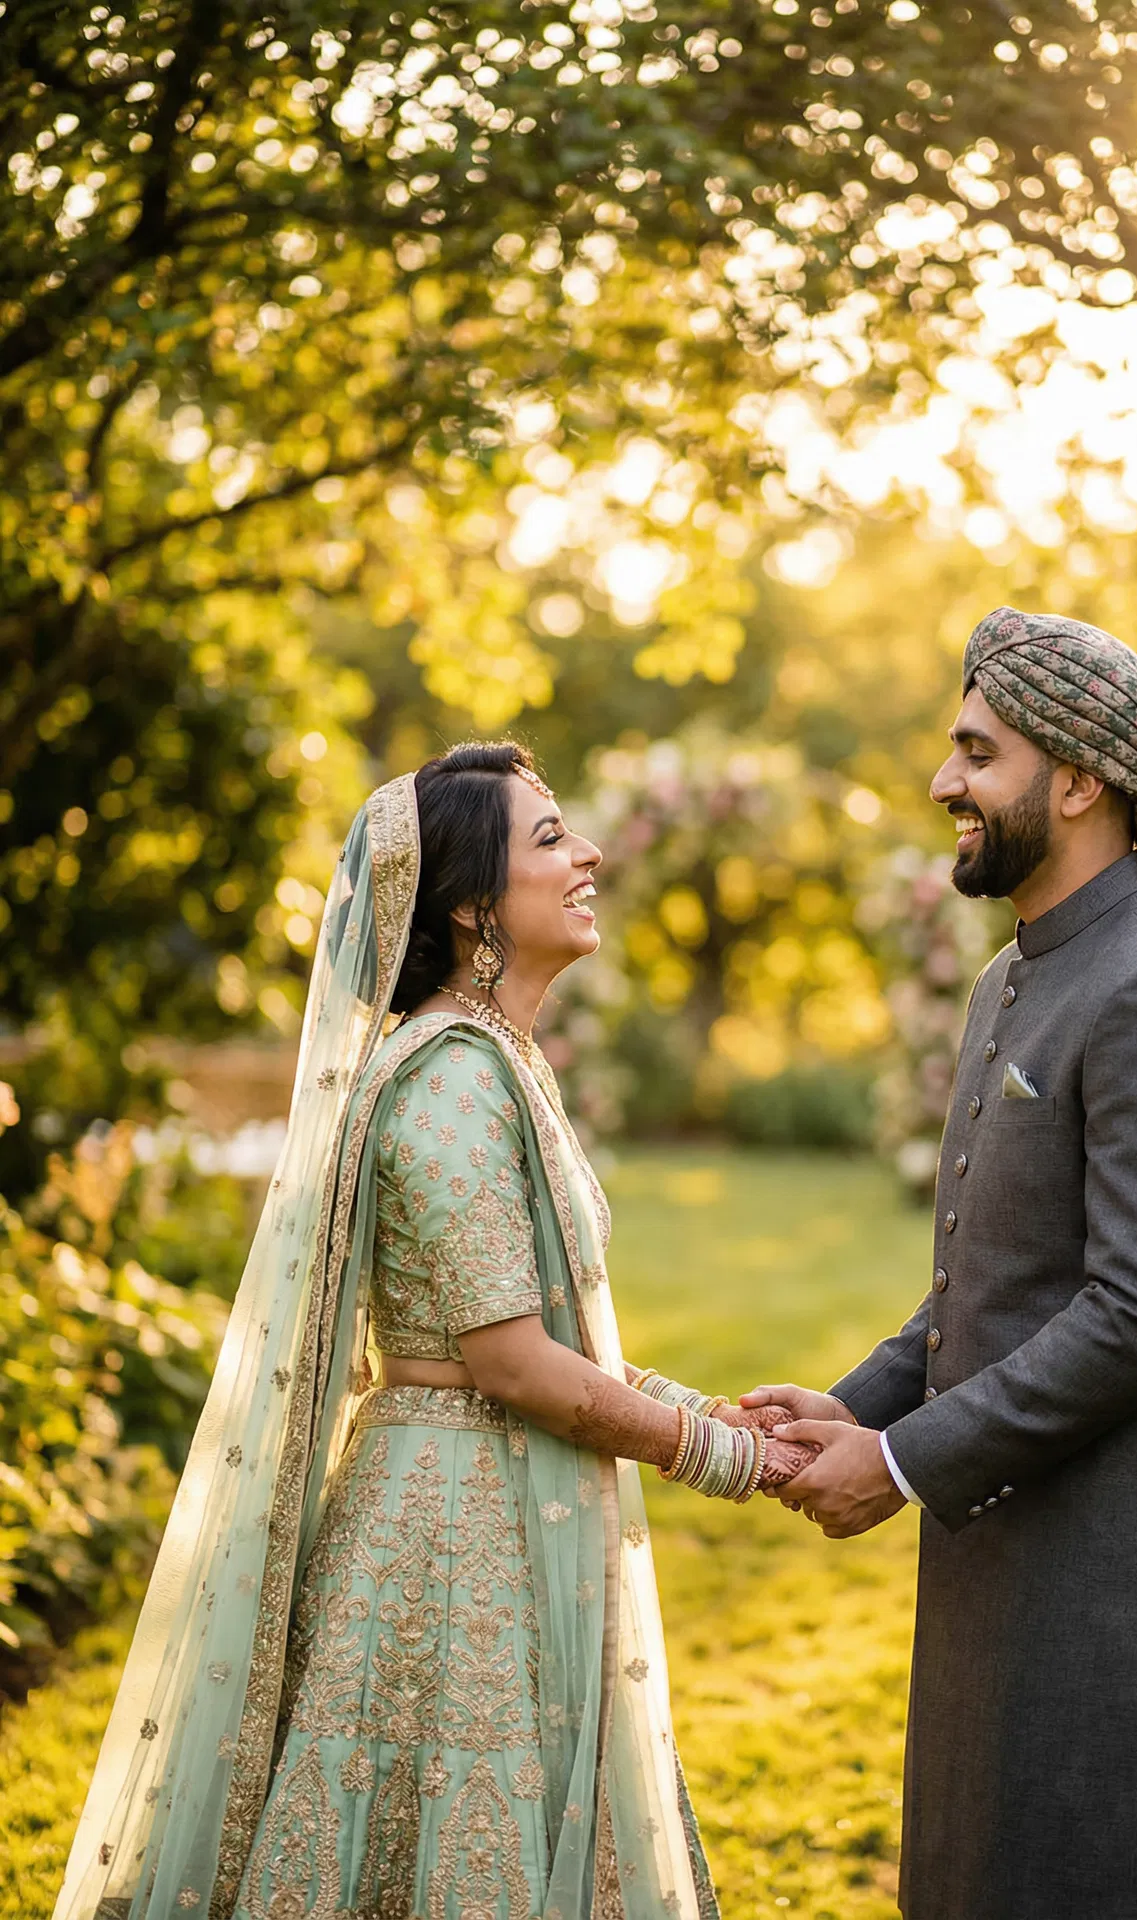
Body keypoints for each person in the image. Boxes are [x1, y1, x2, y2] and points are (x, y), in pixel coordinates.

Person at [57, 741, 810, 1920]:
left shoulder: (495, 1062)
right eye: (551, 839)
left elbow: (527, 1332)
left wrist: (708, 1407)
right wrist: (721, 1457)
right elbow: (508, 1365)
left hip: (486, 1490)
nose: (590, 855)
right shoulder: (451, 1081)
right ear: (469, 908)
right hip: (450, 1537)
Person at [743, 607, 1137, 1920]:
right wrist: (865, 1403)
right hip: (1002, 1547)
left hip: (1114, 1587)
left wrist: (897, 1464)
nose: (944, 783)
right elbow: (989, 1273)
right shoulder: (1009, 982)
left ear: (1078, 778)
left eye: (974, 754)